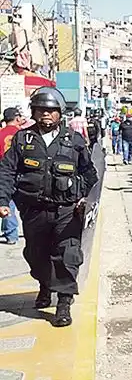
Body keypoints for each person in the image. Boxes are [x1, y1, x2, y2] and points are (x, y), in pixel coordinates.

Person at [0, 87, 98, 327]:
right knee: (37, 255)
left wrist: (84, 199)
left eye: (51, 111)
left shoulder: (73, 141)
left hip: (66, 211)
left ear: (60, 114)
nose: (46, 114)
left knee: (68, 254)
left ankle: (64, 303)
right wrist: (3, 201)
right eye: (41, 110)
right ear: (33, 112)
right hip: (33, 210)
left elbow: (90, 173)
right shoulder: (23, 140)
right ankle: (45, 286)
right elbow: (7, 171)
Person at [0, 107, 25, 244]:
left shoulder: (1, 133)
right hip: (20, 172)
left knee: (6, 202)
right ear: (16, 119)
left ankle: (10, 233)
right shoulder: (22, 134)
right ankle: (12, 233)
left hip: (4, 171)